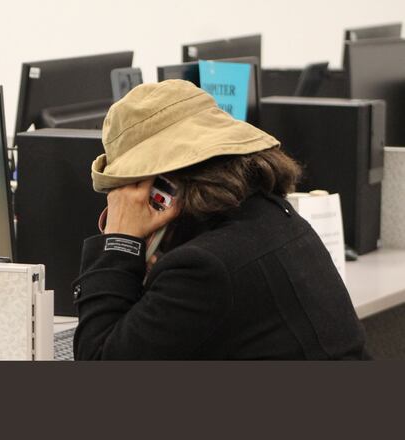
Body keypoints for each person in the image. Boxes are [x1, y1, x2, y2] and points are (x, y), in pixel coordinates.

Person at [73, 79, 369, 360]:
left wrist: (119, 242)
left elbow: (98, 359)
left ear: (159, 190)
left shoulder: (203, 268)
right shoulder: (277, 218)